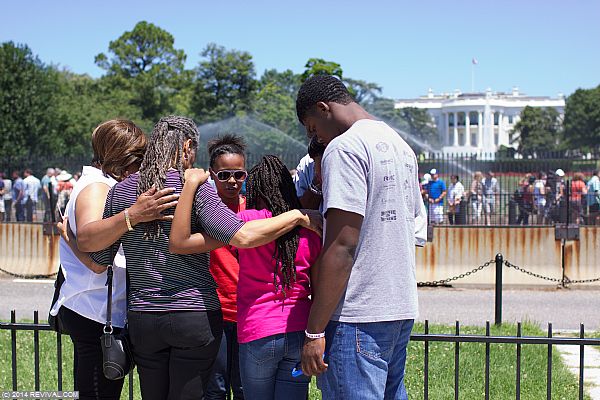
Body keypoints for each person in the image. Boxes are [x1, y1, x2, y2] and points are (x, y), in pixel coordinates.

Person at [92, 116, 321, 400]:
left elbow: (100, 259)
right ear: (187, 146)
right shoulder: (198, 187)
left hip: (144, 316)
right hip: (193, 314)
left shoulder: (122, 191)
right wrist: (297, 216)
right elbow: (240, 235)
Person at [295, 75, 423, 399]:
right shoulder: (401, 146)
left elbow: (343, 244)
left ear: (324, 109)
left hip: (356, 314)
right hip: (399, 307)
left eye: (312, 128)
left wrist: (314, 330)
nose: (316, 138)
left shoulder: (344, 148)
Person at [50, 119, 177, 400]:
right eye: (138, 157)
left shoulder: (101, 182)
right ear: (122, 155)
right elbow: (91, 242)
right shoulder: (97, 186)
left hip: (95, 306)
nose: (142, 164)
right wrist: (135, 215)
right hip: (94, 308)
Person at [234, 155, 322, 400]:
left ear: (254, 188)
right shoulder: (309, 228)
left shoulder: (247, 221)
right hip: (298, 329)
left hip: (258, 328)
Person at [205, 134, 247, 400]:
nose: (232, 181)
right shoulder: (204, 208)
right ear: (212, 174)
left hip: (247, 311)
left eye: (239, 174)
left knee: (244, 388)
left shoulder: (254, 209)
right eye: (224, 175)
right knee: (215, 388)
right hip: (214, 311)